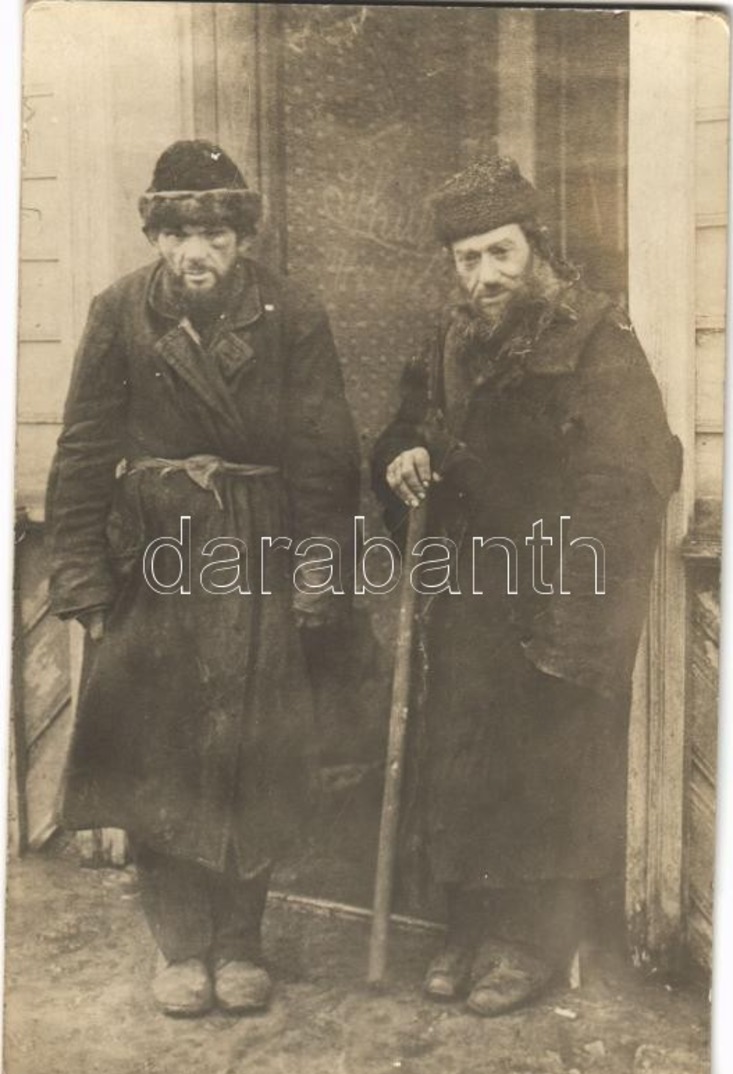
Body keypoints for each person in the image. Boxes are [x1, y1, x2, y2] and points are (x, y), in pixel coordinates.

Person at [46, 140, 360, 1017]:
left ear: (241, 238)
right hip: (153, 559)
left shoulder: (289, 312)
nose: (197, 252)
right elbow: (81, 453)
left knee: (252, 749)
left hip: (259, 553)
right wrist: (82, 583)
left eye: (216, 232)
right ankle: (181, 946)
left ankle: (240, 941)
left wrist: (315, 577)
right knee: (162, 752)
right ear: (154, 234)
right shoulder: (118, 313)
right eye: (179, 232)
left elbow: (326, 460)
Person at [371, 156, 681, 1016]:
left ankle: (532, 943)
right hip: (469, 589)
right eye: (468, 259)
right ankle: (467, 927)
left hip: (556, 592)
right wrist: (402, 454)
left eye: (500, 253)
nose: (485, 276)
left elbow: (629, 476)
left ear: (535, 247)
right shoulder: (449, 339)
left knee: (545, 768)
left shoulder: (593, 337)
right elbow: (406, 423)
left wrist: (578, 612)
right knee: (467, 760)